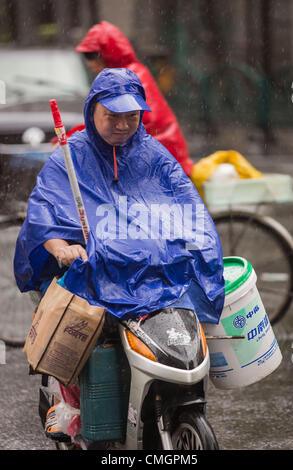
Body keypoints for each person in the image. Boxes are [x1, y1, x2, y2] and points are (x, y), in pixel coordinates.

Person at [14, 68, 224, 441]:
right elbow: (44, 212)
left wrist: (199, 242)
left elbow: (187, 203)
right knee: (89, 330)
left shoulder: (154, 155)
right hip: (94, 270)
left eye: (131, 116)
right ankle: (70, 404)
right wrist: (62, 249)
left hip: (147, 269)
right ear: (93, 110)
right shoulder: (70, 156)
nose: (123, 124)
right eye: (113, 115)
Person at [74, 20, 194, 176]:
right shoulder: (126, 75)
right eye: (87, 56)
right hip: (159, 161)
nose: (90, 63)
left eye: (92, 55)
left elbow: (117, 123)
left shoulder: (126, 79)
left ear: (107, 53)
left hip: (159, 167)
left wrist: (73, 138)